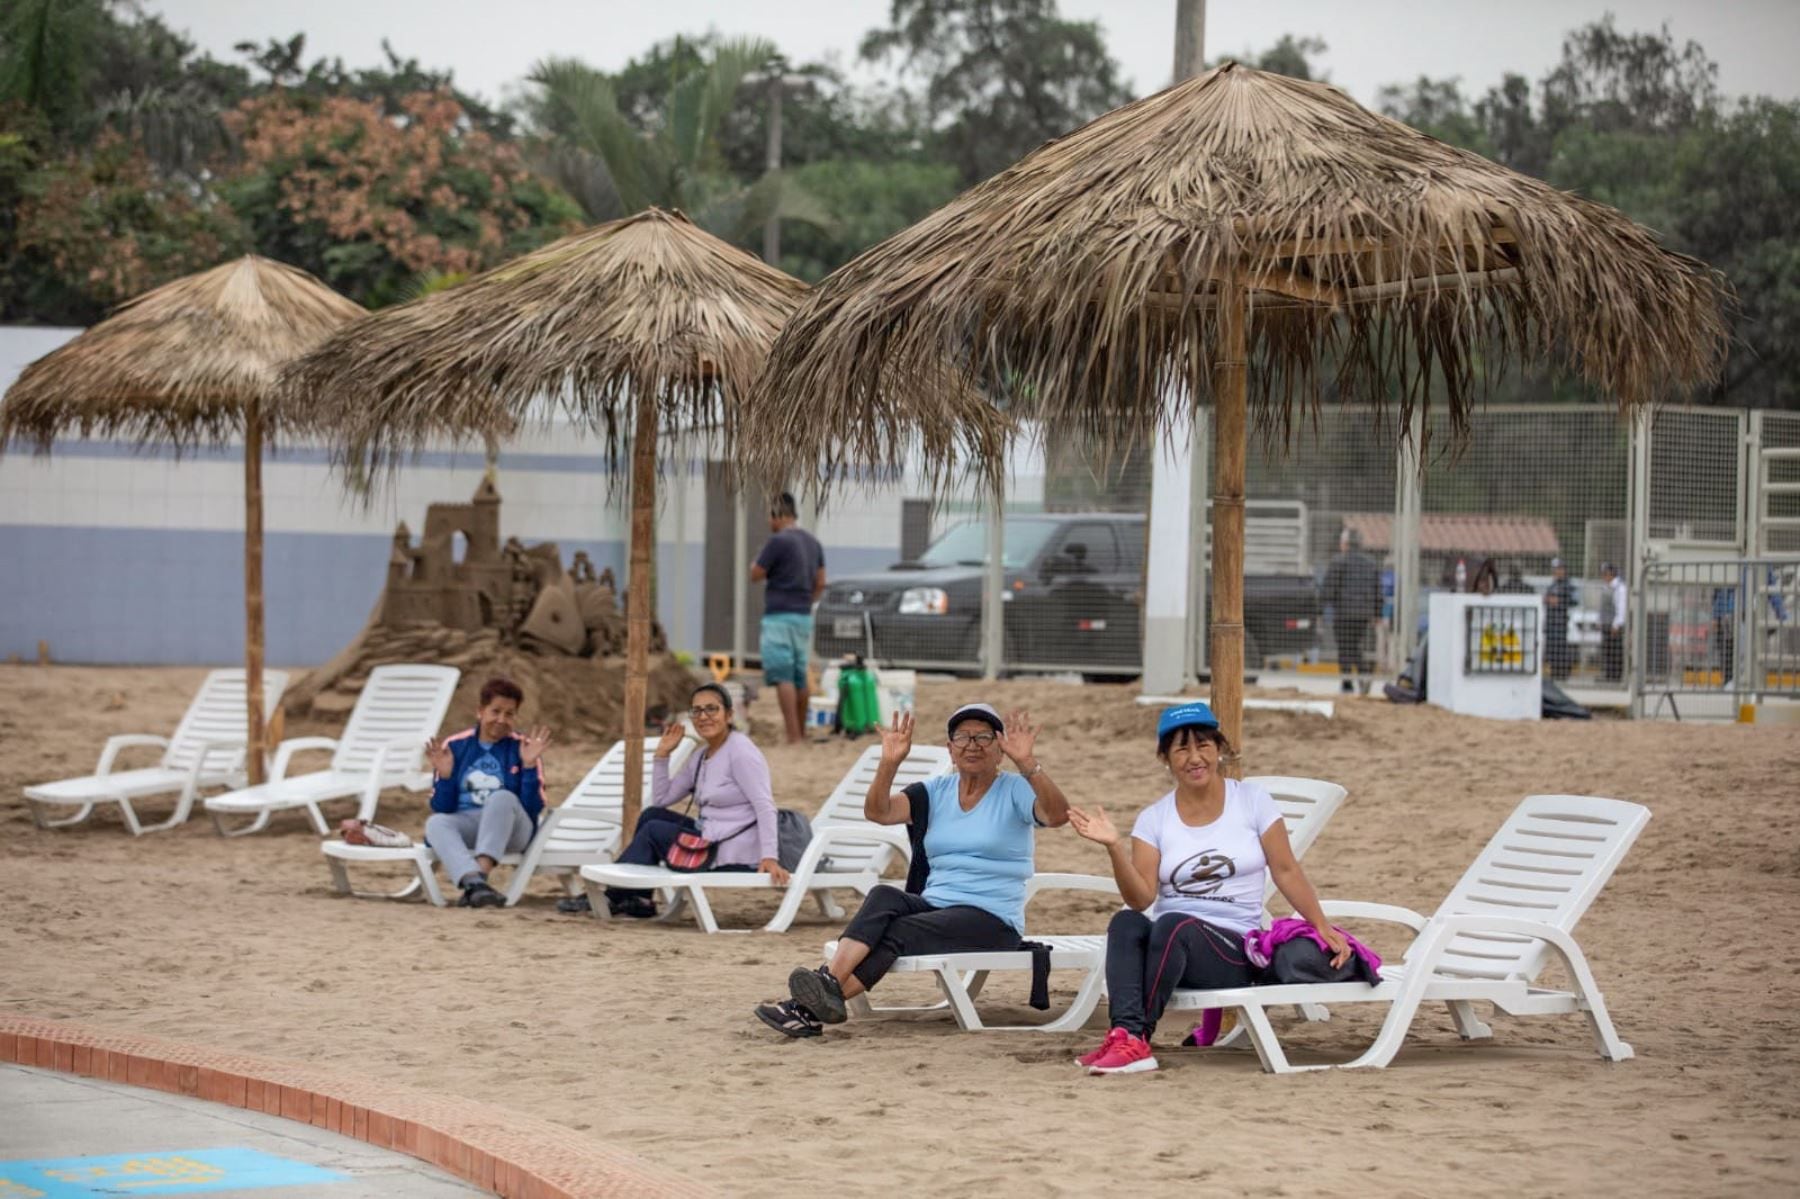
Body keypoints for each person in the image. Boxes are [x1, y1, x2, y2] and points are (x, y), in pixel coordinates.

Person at [1064, 702, 1348, 1075]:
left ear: (1219, 749)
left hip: (1233, 952)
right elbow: (1141, 898)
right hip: (1172, 951)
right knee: (1127, 923)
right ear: (1165, 757)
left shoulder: (1252, 801)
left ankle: (1135, 1038)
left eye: (1204, 745)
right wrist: (1114, 848)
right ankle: (1125, 1037)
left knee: (1173, 924)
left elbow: (1286, 869)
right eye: (1181, 748)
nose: (1195, 758)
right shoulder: (1154, 819)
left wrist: (1321, 925)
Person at [754, 703, 1069, 1038]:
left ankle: (806, 1007)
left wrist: (1028, 764)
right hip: (936, 905)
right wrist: (889, 763)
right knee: (883, 895)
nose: (972, 745)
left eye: (984, 737)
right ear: (950, 749)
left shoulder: (1016, 789)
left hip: (991, 918)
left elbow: (1058, 815)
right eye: (962, 737)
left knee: (900, 930)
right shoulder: (934, 792)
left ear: (1000, 750)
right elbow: (879, 812)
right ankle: (826, 986)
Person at [598, 682, 786, 918]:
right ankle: (638, 898)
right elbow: (662, 799)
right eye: (697, 711)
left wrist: (770, 857)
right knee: (651, 816)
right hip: (708, 834)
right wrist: (662, 755)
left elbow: (765, 805)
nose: (703, 717)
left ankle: (614, 895)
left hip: (732, 847)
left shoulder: (741, 753)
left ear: (728, 715)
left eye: (711, 709)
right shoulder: (701, 756)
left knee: (654, 830)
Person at [424, 676, 552, 908]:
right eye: (496, 711)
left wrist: (530, 766)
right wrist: (445, 777)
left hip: (512, 830)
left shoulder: (523, 748)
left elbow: (533, 808)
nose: (501, 720)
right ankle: (474, 884)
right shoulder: (455, 746)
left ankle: (480, 874)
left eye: (509, 714)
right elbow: (442, 807)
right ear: (480, 711)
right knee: (436, 823)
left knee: (501, 798)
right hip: (469, 824)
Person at [751, 492, 826, 744]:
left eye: (770, 518)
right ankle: (802, 733)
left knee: (782, 675)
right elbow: (821, 582)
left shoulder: (777, 541)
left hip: (778, 616)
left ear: (777, 515)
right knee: (799, 674)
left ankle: (792, 736)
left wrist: (757, 559)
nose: (769, 523)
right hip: (803, 617)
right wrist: (806, 600)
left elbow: (756, 573)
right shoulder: (813, 543)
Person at [1320, 527, 1382, 695]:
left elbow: (1328, 588)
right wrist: (1377, 613)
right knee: (1354, 644)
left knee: (1344, 646)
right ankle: (1363, 675)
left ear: (1345, 544)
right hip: (1363, 615)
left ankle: (1348, 682)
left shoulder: (1338, 561)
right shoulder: (1371, 563)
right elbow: (1378, 590)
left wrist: (1322, 607)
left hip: (1343, 613)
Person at [1544, 558, 1576, 680]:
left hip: (1560, 622)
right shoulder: (1553, 584)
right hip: (1551, 622)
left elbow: (1573, 601)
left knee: (1560, 649)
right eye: (1555, 569)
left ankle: (1562, 673)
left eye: (1558, 569)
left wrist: (1559, 602)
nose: (1556, 571)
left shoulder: (1567, 585)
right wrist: (1547, 600)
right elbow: (1547, 598)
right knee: (1552, 649)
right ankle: (1554, 672)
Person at [1600, 562, 1627, 681]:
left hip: (1614, 625)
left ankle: (1616, 676)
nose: (1603, 576)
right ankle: (1609, 675)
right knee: (1607, 651)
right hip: (1606, 624)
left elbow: (1621, 607)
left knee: (1615, 652)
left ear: (1611, 573)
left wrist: (1616, 624)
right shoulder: (1607, 586)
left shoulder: (1619, 588)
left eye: (1605, 573)